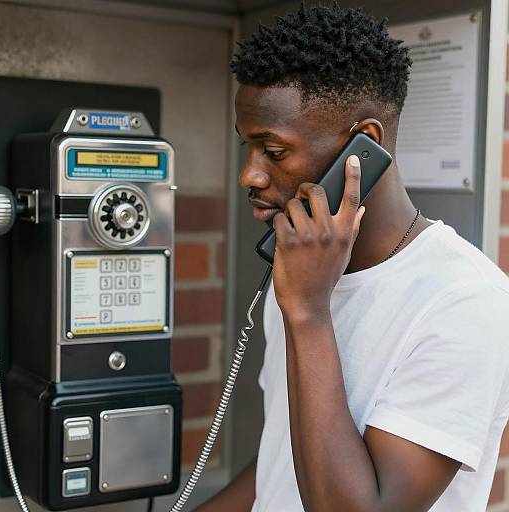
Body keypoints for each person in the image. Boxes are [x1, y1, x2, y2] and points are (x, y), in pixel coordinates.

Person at [195, 4, 509, 511]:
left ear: (363, 147)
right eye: (247, 149)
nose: (249, 176)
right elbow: (284, 457)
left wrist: (306, 310)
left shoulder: (466, 303)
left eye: (273, 152)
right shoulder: (302, 270)